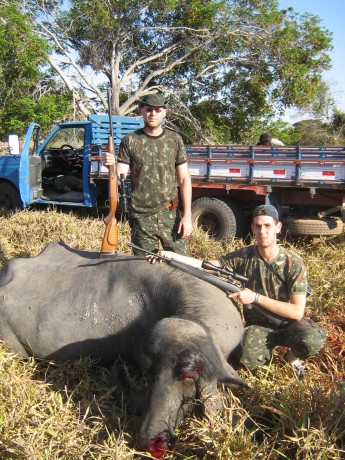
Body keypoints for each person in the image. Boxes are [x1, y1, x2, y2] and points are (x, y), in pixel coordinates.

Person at [148, 204, 327, 377]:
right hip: (259, 327)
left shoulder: (293, 263)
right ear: (252, 228)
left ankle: (292, 359)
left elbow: (296, 312)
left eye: (267, 226)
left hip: (289, 324)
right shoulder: (244, 256)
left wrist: (255, 297)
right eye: (258, 226)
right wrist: (170, 256)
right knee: (246, 361)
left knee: (311, 340)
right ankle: (265, 355)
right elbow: (207, 266)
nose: (263, 231)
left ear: (278, 227)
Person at [102, 93, 193, 255]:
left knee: (183, 267)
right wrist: (110, 166)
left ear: (164, 112)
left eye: (158, 110)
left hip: (170, 215)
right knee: (143, 269)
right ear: (141, 111)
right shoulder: (130, 140)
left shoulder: (175, 139)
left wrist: (187, 216)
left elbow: (184, 179)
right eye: (149, 110)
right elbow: (119, 175)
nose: (153, 114)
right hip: (141, 217)